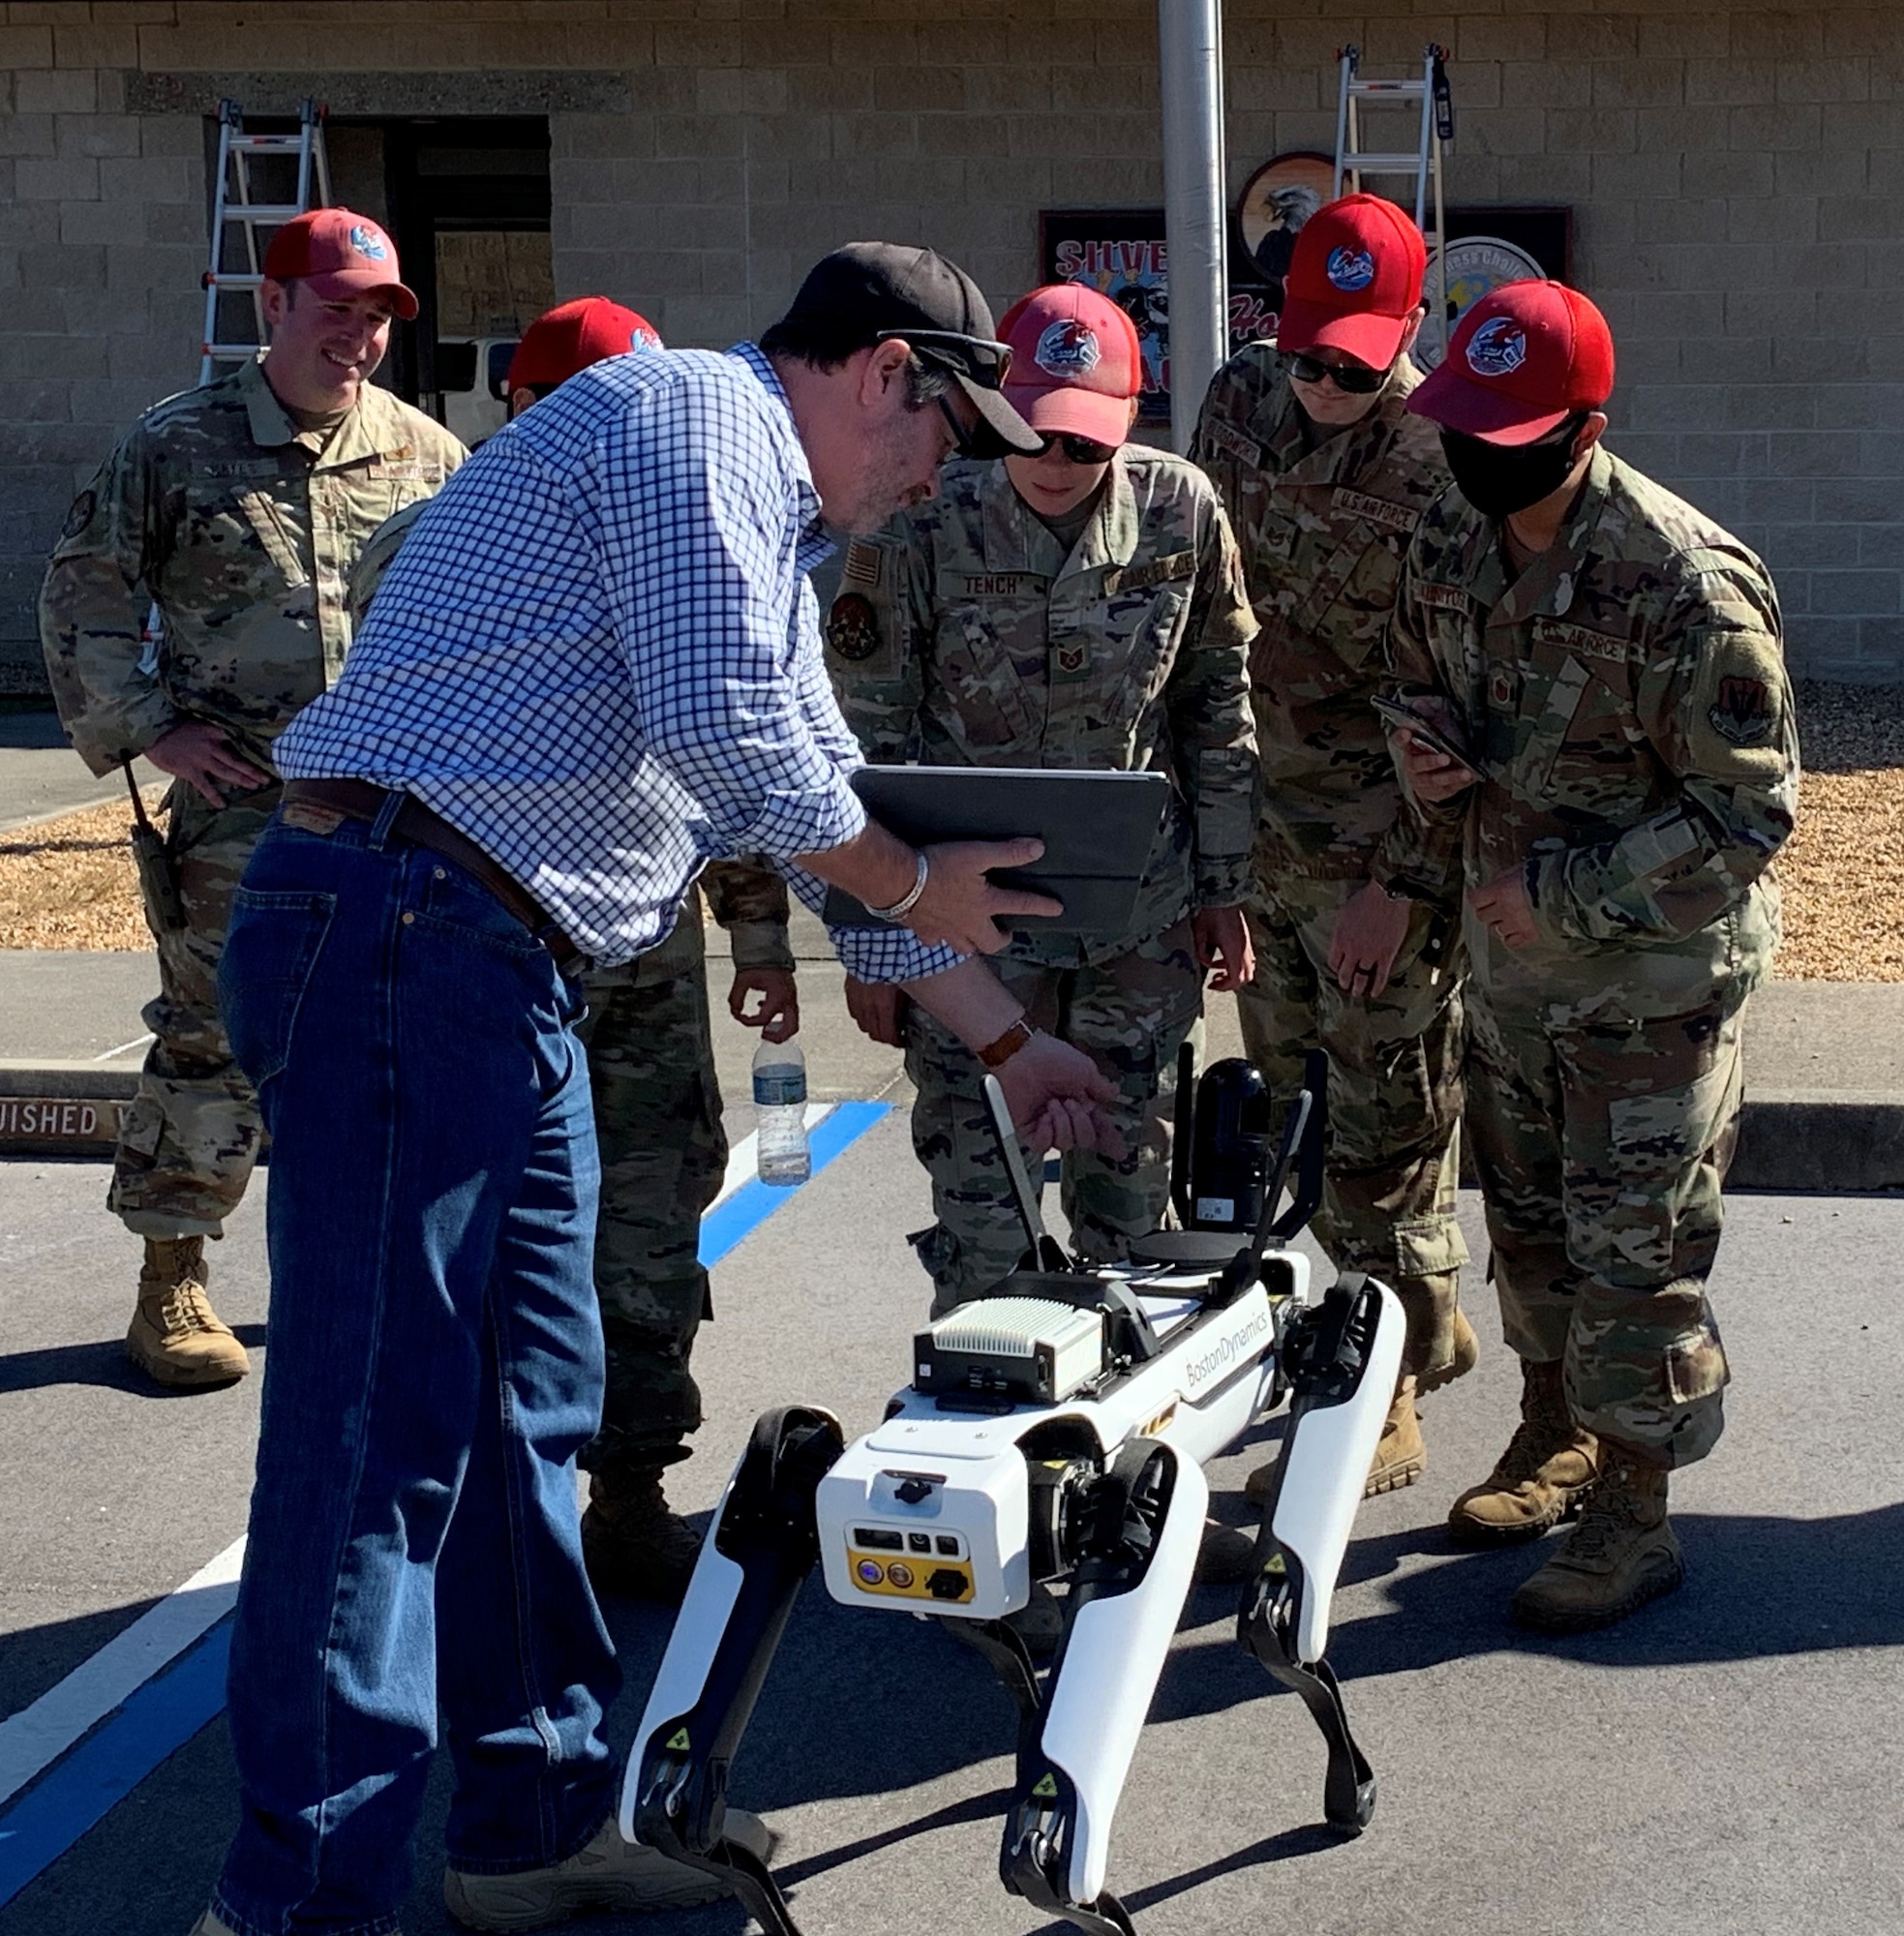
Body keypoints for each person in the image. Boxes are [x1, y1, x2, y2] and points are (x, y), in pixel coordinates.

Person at [195, 243, 1125, 1936]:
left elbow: (816, 806)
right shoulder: (701, 421)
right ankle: (298, 1907)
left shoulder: (763, 530)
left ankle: (527, 1826)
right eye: (947, 435)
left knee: (526, 1409)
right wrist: (923, 895)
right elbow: (738, 749)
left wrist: (1006, 1036)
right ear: (884, 375)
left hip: (491, 956)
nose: (943, 481)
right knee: (377, 1441)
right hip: (406, 927)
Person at [350, 297, 801, 1605]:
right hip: (481, 953)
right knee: (472, 1234)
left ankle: (630, 1489)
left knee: (649, 1224)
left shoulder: (694, 543)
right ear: (527, 418)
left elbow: (731, 750)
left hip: (643, 966)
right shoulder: (420, 550)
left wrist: (759, 938)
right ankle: (473, 1512)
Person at [1389, 281, 1798, 1631]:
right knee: (1532, 1237)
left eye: (1511, 431)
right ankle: (1552, 1434)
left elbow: (1746, 811)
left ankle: (1633, 1512)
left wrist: (1560, 889)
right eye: (1468, 423)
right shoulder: (1457, 545)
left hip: (1649, 991)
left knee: (1634, 1256)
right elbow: (1428, 686)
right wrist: (1426, 759)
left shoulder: (1685, 579)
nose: (1479, 453)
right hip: (1514, 982)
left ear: (1583, 427)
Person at [38, 207, 465, 1389]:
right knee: (212, 1030)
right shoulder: (174, 445)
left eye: (379, 316)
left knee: (386, 1042)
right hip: (243, 809)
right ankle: (171, 1277)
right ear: (272, 305)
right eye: (338, 309)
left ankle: (373, 1277)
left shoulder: (426, 453)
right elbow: (86, 598)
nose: (360, 337)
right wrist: (149, 729)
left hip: (392, 811)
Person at [830, 282, 1258, 1315]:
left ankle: (1123, 1433)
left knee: (1128, 1197)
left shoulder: (1177, 507)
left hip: (1135, 917)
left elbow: (1214, 702)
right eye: (1038, 438)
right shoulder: (920, 518)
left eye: (1087, 444)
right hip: (964, 919)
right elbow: (867, 740)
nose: (1059, 465)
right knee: (982, 1214)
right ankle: (984, 1421)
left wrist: (1224, 885)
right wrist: (873, 941)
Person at [1192, 194, 1475, 1500]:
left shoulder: (1441, 463)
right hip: (1265, 836)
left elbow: (1459, 705)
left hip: (1379, 853)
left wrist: (1397, 885)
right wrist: (1211, 858)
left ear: (1406, 332)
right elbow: (1200, 624)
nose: (1316, 384)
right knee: (1303, 1131)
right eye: (1301, 349)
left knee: (1383, 1129)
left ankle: (1389, 1395)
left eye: (1348, 363)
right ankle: (1407, 1322)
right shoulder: (1237, 406)